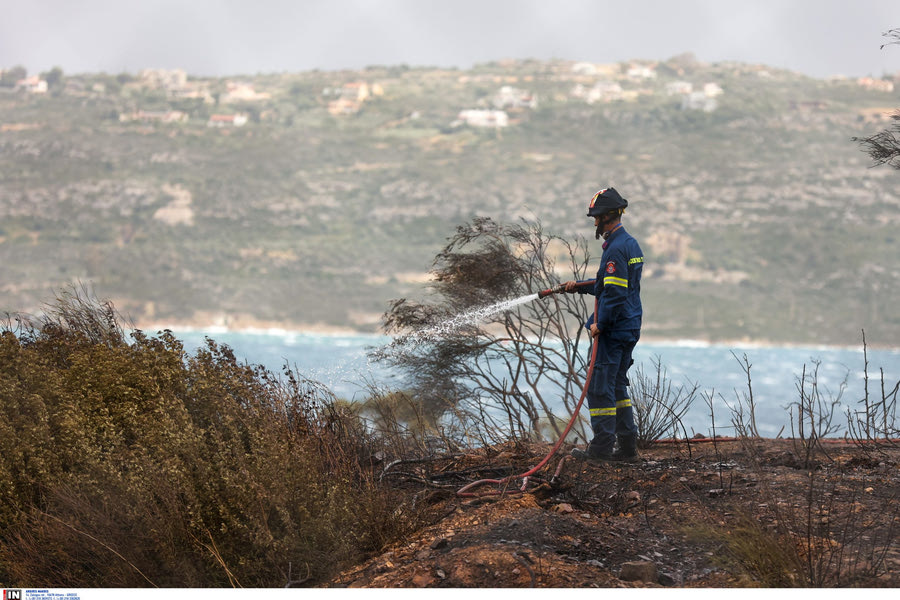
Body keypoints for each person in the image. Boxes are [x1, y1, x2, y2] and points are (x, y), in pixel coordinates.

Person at [564, 187, 644, 463]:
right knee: (618, 386)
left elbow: (614, 293)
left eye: (596, 217)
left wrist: (601, 323)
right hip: (630, 325)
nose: (594, 222)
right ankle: (627, 447)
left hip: (614, 327)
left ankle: (600, 450)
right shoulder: (628, 243)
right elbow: (614, 284)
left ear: (607, 216)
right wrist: (579, 287)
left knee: (600, 386)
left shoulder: (615, 249)